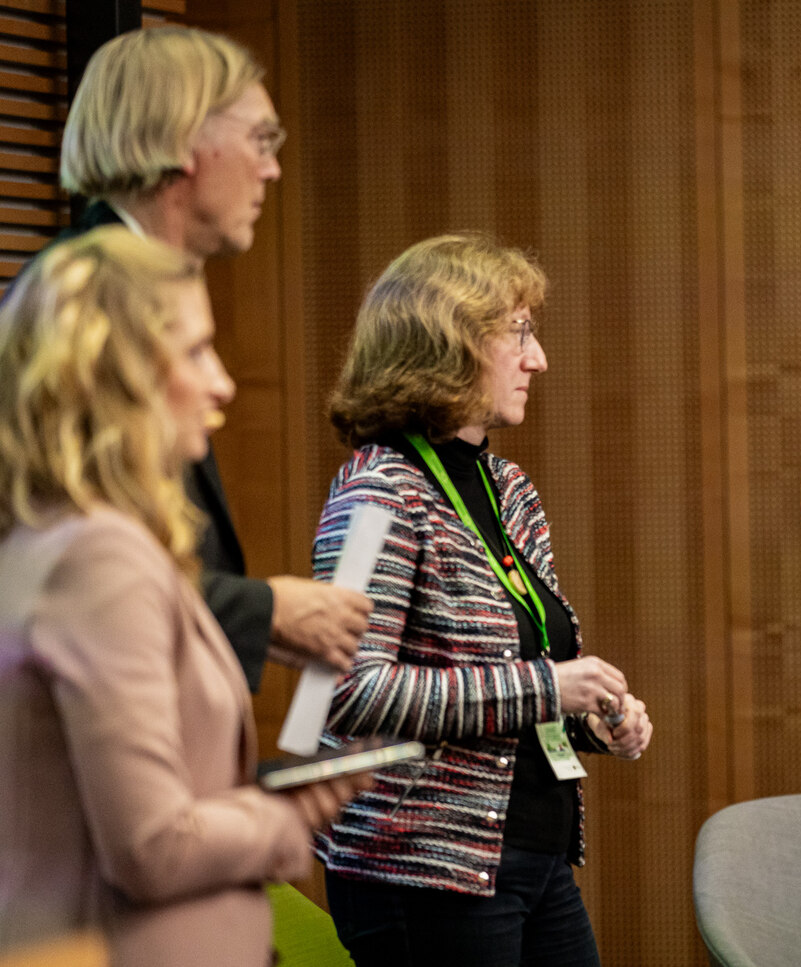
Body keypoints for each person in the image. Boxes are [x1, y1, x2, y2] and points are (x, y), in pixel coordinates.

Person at [0, 25, 371, 899]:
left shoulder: (123, 287)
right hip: (84, 856)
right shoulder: (82, 307)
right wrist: (266, 609)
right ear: (188, 139)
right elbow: (50, 568)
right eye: (261, 139)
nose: (272, 168)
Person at [312, 234, 653, 967]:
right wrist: (547, 685)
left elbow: (521, 671)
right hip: (421, 863)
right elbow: (344, 690)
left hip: (526, 851)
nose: (539, 360)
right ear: (450, 344)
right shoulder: (378, 492)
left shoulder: (509, 490)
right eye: (520, 334)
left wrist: (592, 714)